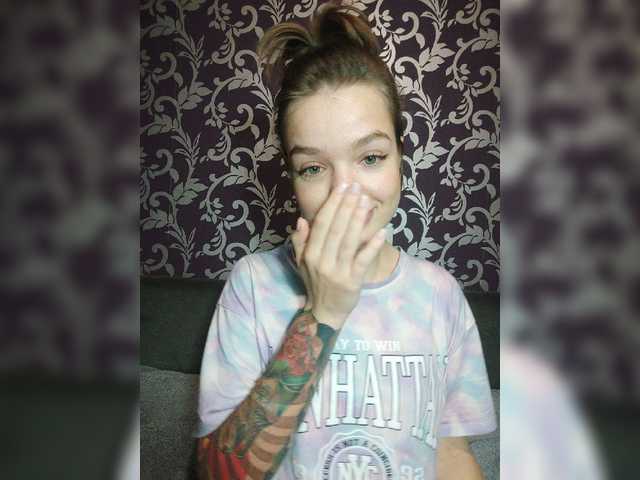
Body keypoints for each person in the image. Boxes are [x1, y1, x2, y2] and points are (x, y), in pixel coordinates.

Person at [195, 2, 496, 479]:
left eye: (370, 157)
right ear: (292, 178)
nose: (345, 192)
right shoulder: (253, 285)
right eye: (314, 168)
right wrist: (322, 312)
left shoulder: (440, 294)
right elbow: (215, 473)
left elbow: (452, 455)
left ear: (400, 156)